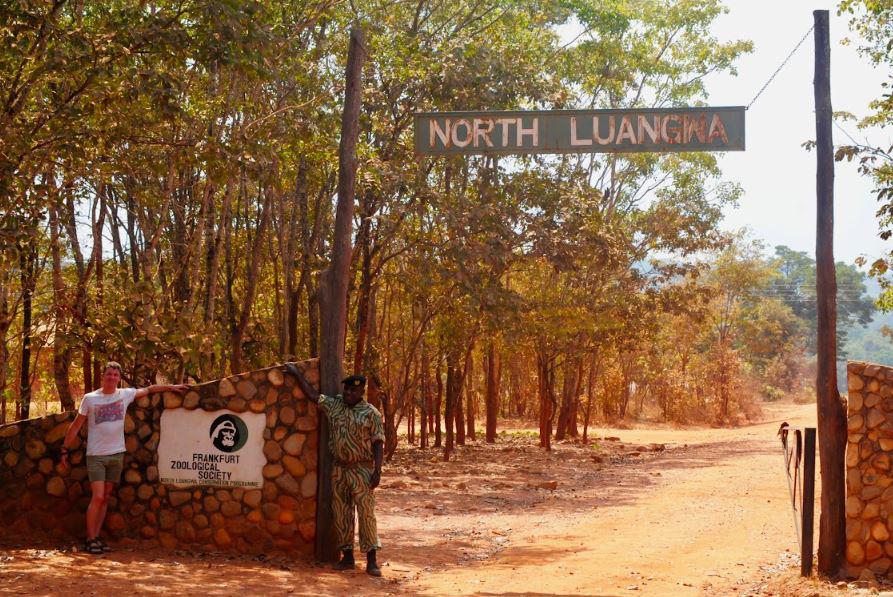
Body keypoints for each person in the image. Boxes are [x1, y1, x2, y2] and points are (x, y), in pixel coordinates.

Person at [60, 361, 188, 555]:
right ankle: (90, 538)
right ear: (103, 376)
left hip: (116, 453)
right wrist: (64, 449)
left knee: (106, 497)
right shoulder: (90, 398)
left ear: (119, 378)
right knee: (98, 496)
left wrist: (170, 386)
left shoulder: (124, 395)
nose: (111, 377)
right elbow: (77, 425)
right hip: (96, 455)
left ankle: (96, 536)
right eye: (109, 374)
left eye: (115, 375)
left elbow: (149, 389)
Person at [285, 363, 385, 576]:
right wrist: (296, 373)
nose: (348, 393)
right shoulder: (335, 405)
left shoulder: (371, 413)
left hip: (362, 469)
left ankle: (372, 559)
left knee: (366, 514)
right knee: (342, 513)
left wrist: (378, 471)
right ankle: (347, 557)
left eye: (353, 390)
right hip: (339, 468)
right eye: (346, 389)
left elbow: (378, 443)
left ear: (361, 392)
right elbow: (313, 395)